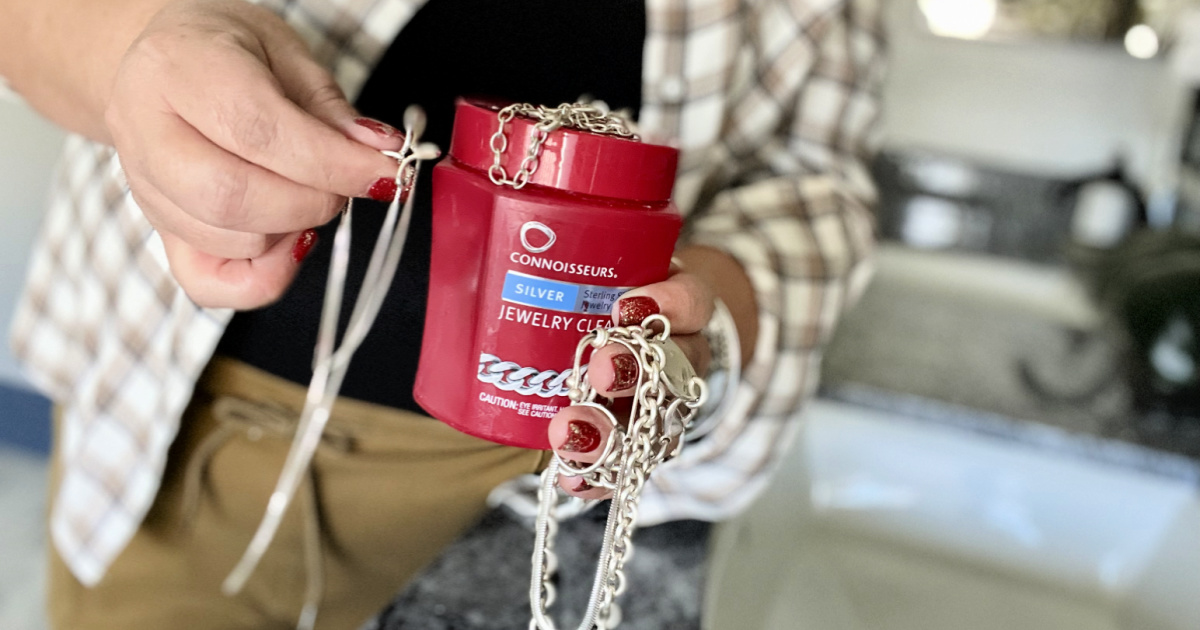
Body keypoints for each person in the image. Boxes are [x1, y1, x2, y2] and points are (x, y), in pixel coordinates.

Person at [0, 0, 883, 627]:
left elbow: (812, 180)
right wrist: (134, 51)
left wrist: (713, 309)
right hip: (185, 420)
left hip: (553, 471)